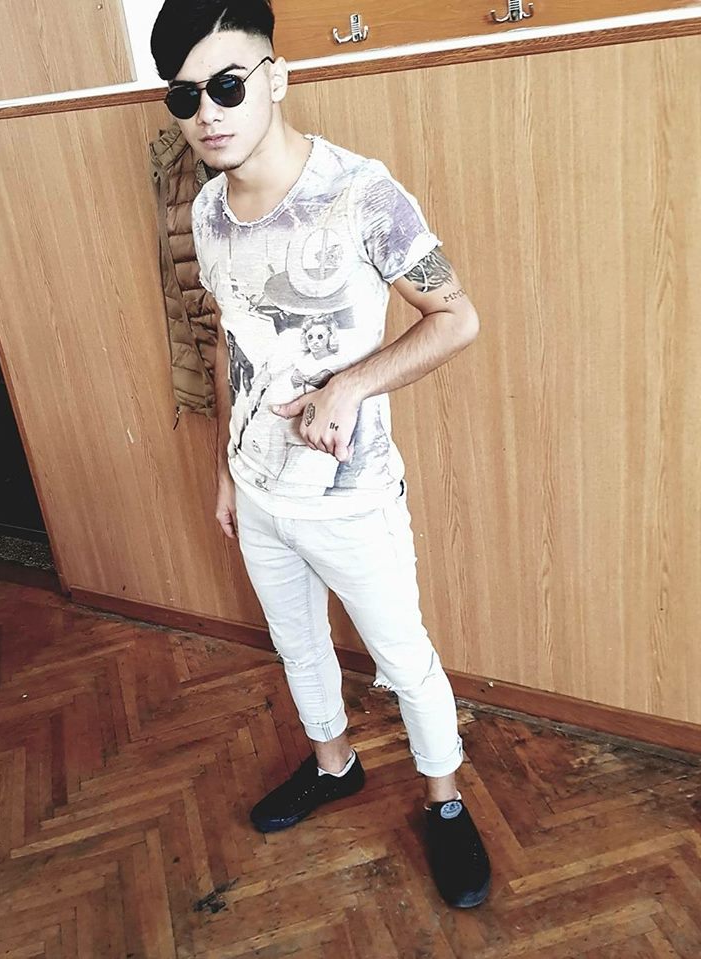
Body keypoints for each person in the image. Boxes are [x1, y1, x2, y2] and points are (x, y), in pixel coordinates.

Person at [151, 0, 491, 908]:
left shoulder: (359, 194)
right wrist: (224, 470)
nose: (207, 113)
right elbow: (230, 342)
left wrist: (349, 386)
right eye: (186, 96)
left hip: (352, 497)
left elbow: (456, 318)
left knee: (403, 659)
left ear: (277, 77)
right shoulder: (207, 211)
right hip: (260, 491)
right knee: (297, 645)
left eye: (228, 85)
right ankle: (334, 764)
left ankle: (446, 802)